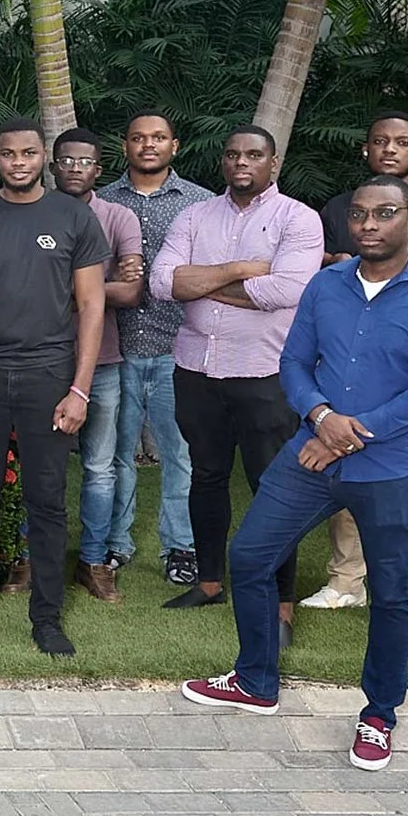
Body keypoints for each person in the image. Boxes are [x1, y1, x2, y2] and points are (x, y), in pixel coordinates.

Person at [183, 175, 408, 773]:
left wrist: (346, 433)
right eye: (360, 214)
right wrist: (319, 416)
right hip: (311, 450)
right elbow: (292, 361)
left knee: (392, 593)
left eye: (384, 213)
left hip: (389, 466)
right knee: (251, 556)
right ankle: (257, 680)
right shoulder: (325, 285)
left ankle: (379, 715)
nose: (368, 224)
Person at [0, 117, 109, 656]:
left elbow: (91, 306)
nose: (18, 163)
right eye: (8, 154)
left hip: (47, 376)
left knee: (47, 498)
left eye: (29, 154)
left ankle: (48, 616)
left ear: (44, 160)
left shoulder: (73, 217)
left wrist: (79, 389)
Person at [151, 126, 322, 625]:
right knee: (205, 477)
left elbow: (286, 290)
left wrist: (201, 282)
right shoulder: (194, 215)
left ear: (273, 162)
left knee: (274, 487)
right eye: (232, 154)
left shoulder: (298, 218)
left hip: (265, 374)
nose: (241, 162)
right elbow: (163, 283)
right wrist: (242, 268)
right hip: (196, 371)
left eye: (253, 154)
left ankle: (282, 602)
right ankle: (208, 583)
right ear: (223, 162)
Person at [303, 112, 408, 624]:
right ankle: (347, 581)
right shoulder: (337, 206)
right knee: (344, 477)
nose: (390, 149)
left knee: (402, 502)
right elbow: (325, 274)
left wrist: (346, 263)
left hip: (404, 375)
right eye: (379, 141)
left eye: (402, 142)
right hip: (344, 368)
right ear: (364, 149)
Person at [96, 111, 213, 586]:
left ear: (175, 146)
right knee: (115, 454)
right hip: (115, 347)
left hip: (175, 347)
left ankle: (180, 547)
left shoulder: (201, 205)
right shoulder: (99, 202)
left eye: (159, 138)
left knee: (179, 454)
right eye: (139, 138)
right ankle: (114, 544)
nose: (149, 145)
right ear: (124, 146)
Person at [53, 128, 145, 603]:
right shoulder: (34, 213)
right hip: (41, 361)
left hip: (103, 363)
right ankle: (34, 556)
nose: (74, 169)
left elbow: (130, 292)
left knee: (100, 467)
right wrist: (98, 285)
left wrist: (54, 288)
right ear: (53, 166)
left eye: (84, 162)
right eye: (66, 161)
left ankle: (93, 561)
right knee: (38, 464)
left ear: (98, 169)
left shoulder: (118, 216)